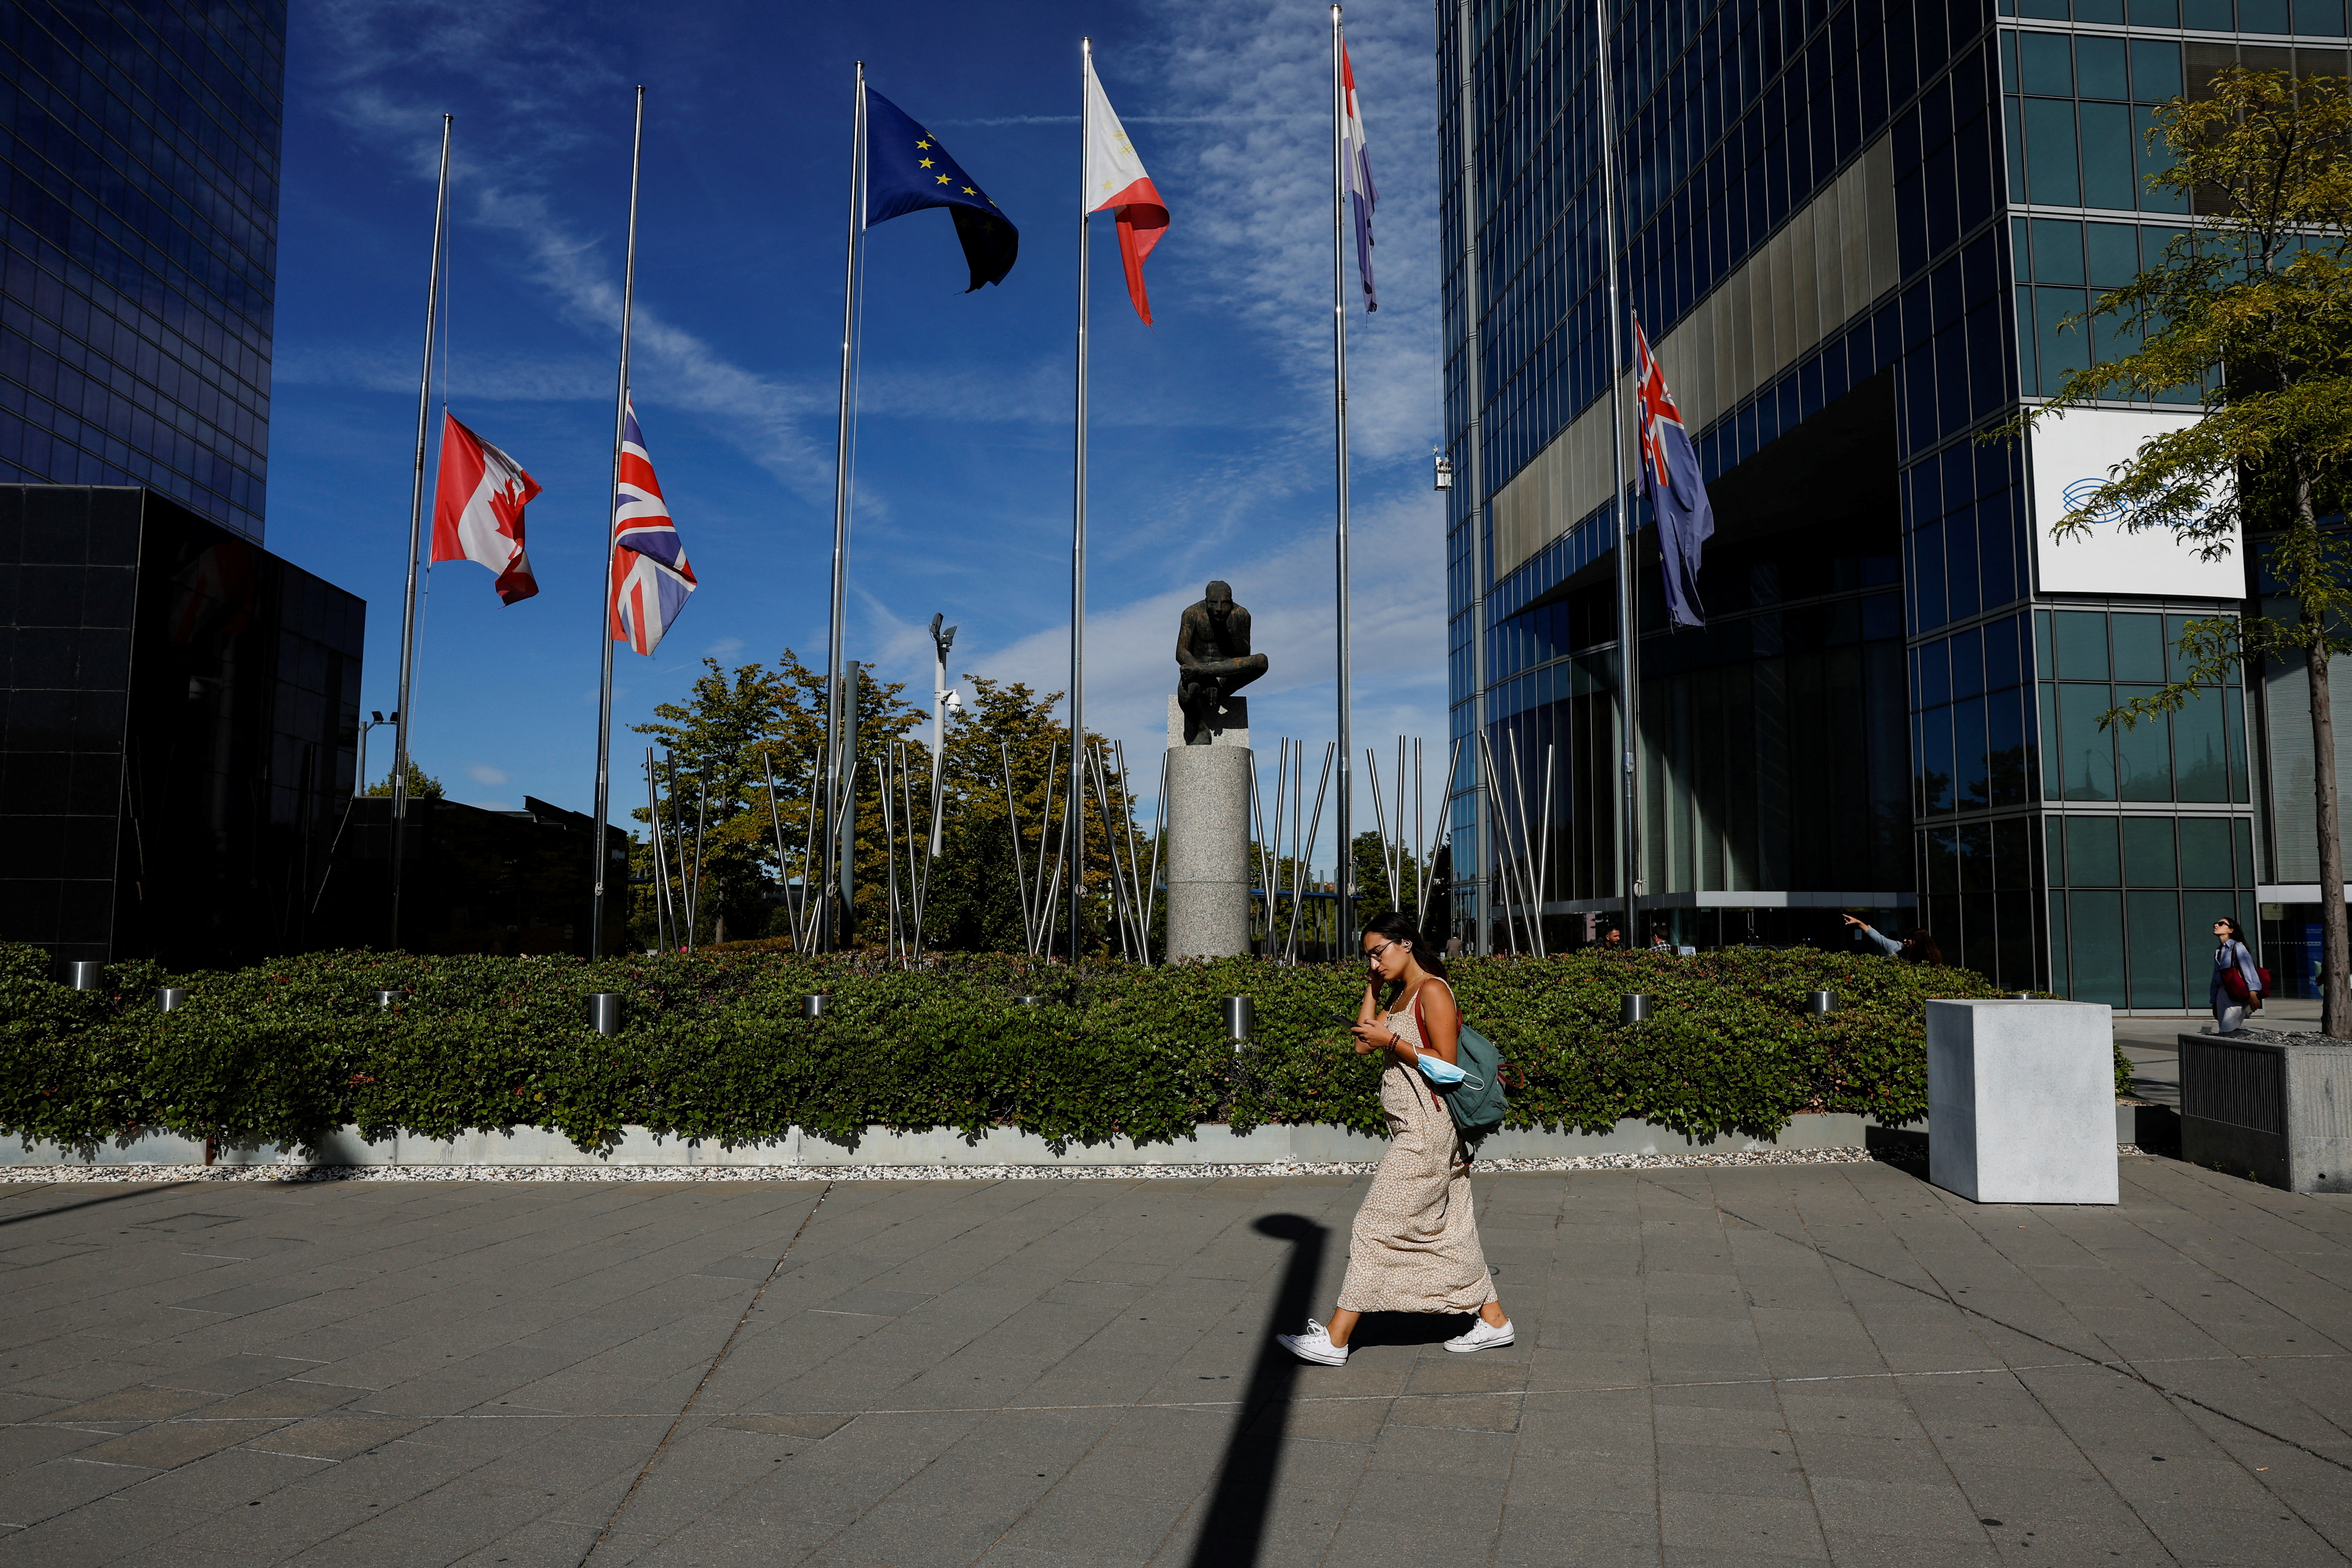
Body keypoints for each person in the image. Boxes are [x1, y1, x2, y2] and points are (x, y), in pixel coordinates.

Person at [1276, 912, 1512, 1366]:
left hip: (1428, 1130)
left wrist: (1393, 1042)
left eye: (1378, 951)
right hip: (1412, 1128)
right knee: (1452, 1230)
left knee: (1374, 1225)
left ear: (1405, 944)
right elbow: (1362, 1043)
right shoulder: (1402, 993)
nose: (1374, 960)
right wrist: (1374, 988)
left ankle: (1336, 1337)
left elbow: (1446, 1064)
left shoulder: (1434, 991)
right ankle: (1496, 1322)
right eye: (1368, 954)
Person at [2210, 916, 2263, 1034]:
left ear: (2231, 930)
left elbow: (2249, 969)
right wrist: (2214, 1002)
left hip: (2235, 995)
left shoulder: (2238, 947)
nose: (2216, 925)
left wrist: (2253, 994)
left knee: (2228, 1031)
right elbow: (2215, 978)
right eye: (2216, 923)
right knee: (2224, 1031)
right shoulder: (2219, 951)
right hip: (2222, 994)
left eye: (2222, 924)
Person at [1842, 914, 1942, 964]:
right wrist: (1858, 922)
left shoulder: (1927, 957)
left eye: (1910, 939)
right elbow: (1878, 937)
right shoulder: (1896, 947)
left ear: (1918, 942)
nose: (1905, 940)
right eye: (1906, 938)